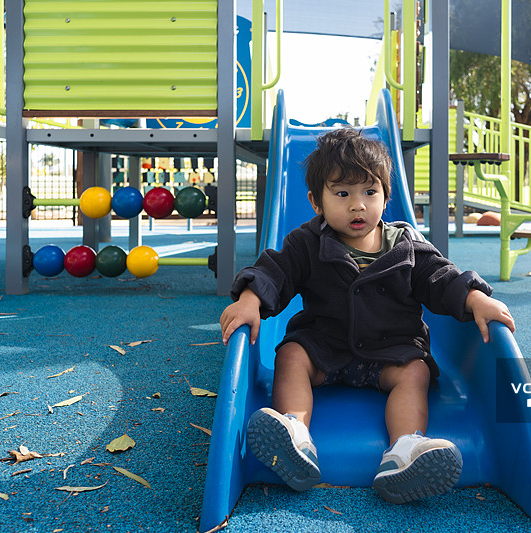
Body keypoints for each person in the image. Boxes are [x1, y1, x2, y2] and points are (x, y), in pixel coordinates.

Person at [220, 127, 515, 503]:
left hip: (391, 351)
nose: (357, 205)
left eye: (369, 192)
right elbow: (273, 272)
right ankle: (295, 433)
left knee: (416, 371)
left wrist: (475, 298)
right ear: (316, 202)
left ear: (386, 196)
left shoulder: (406, 245)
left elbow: (442, 277)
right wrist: (250, 298)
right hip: (325, 348)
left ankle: (405, 450)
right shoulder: (307, 242)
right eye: (342, 194)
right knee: (291, 353)